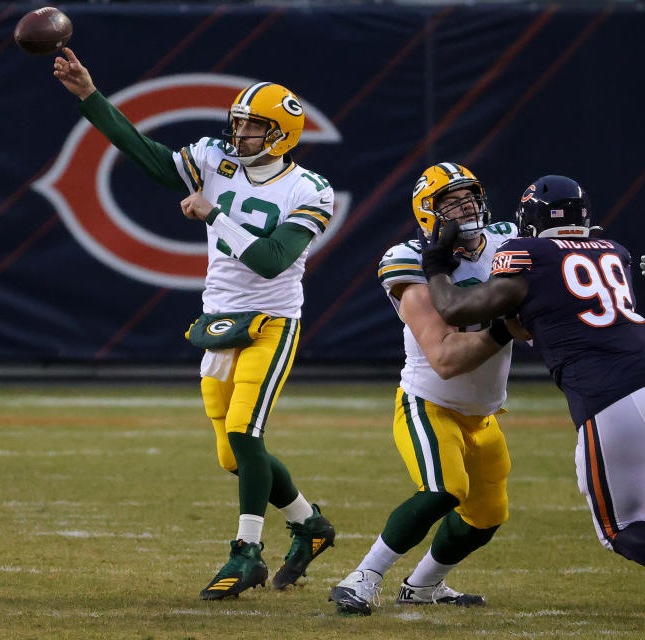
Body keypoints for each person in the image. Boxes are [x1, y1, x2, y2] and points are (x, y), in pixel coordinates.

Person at [54, 48, 335, 599]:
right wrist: (90, 95)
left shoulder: (309, 188)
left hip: (273, 320)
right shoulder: (214, 158)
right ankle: (311, 525)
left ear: (282, 134)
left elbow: (273, 259)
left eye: (254, 126)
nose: (241, 132)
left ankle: (246, 551)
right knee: (233, 454)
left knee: (245, 433)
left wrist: (215, 215)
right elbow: (146, 155)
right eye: (239, 121)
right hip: (219, 316)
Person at [424, 174, 645, 569]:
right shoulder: (616, 250)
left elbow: (455, 310)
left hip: (609, 398)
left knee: (620, 527)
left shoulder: (527, 253)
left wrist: (436, 266)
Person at [329, 163, 519, 616]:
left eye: (470, 196)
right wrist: (509, 326)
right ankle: (361, 578)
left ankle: (424, 584)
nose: (466, 206)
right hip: (431, 401)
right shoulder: (408, 259)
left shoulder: (509, 241)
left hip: (485, 410)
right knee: (443, 489)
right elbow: (446, 359)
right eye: (451, 202)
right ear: (428, 214)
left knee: (488, 515)